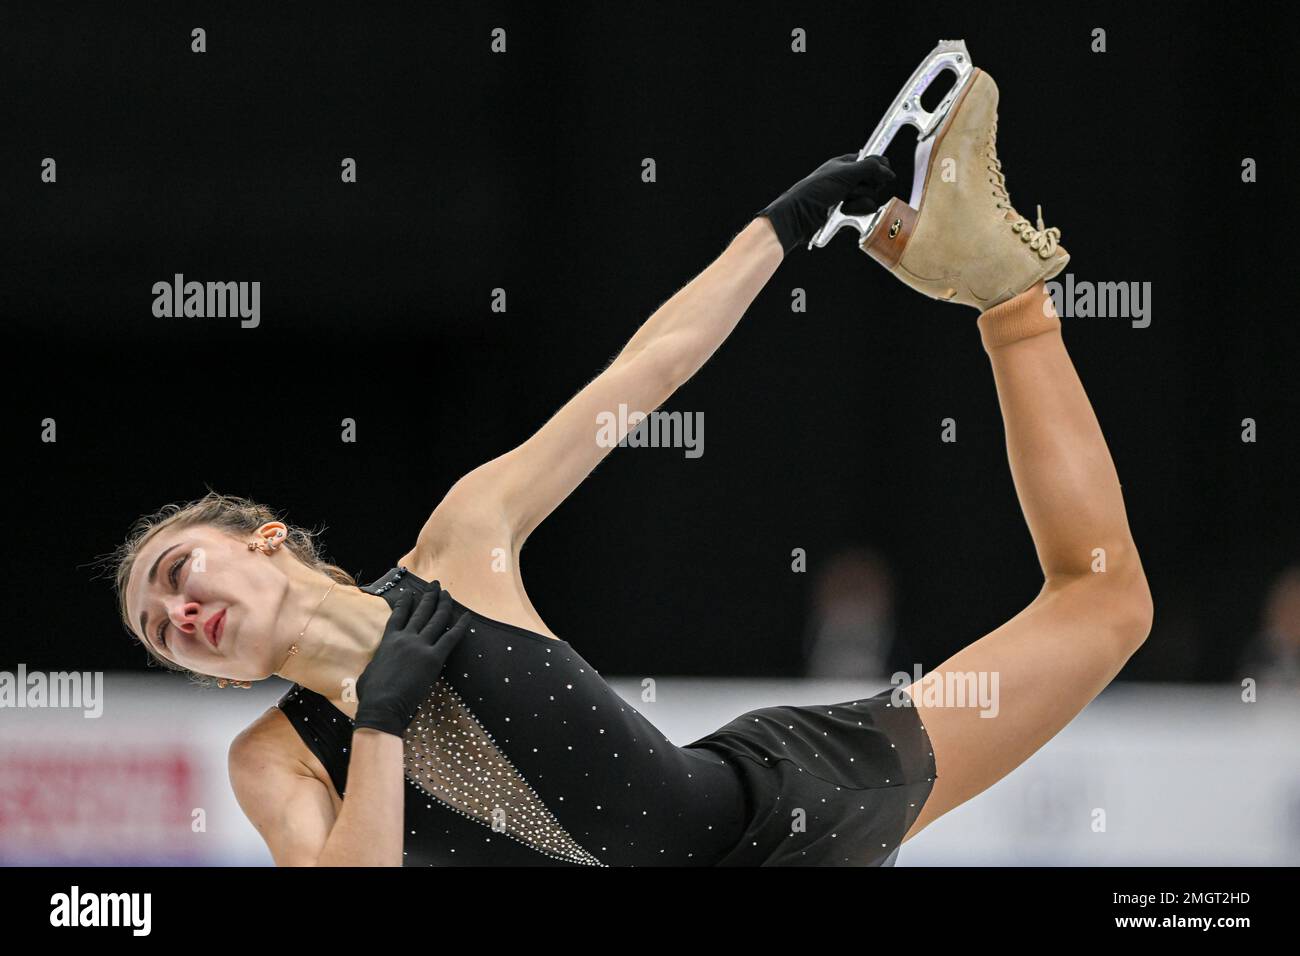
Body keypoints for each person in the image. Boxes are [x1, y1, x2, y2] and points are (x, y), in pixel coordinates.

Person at [114, 135, 1151, 865]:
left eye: (174, 573)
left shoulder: (462, 539)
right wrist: (380, 716)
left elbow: (645, 372)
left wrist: (785, 222)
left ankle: (1011, 301)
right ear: (206, 675)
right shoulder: (277, 757)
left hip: (787, 803)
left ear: (262, 539)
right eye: (160, 633)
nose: (177, 614)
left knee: (1106, 606)